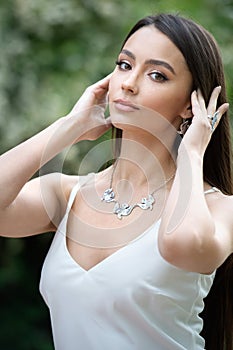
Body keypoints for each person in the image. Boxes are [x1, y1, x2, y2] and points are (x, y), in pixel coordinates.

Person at [0, 13, 232, 350]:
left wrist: (193, 153)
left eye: (156, 74)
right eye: (124, 65)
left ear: (190, 105)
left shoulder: (218, 209)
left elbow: (182, 246)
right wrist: (68, 128)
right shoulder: (70, 195)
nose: (128, 83)